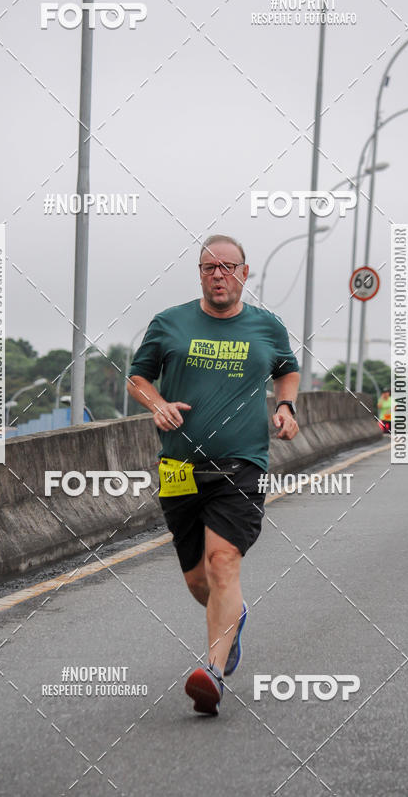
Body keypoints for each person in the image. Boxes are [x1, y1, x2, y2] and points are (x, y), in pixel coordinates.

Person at [126, 234, 300, 716]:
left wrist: (285, 406)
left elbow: (287, 370)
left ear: (246, 272)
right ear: (199, 274)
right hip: (180, 466)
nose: (218, 274)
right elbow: (137, 377)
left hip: (242, 464)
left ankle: (214, 674)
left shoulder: (268, 327)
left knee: (223, 563)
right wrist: (157, 404)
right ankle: (234, 618)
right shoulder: (170, 323)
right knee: (198, 581)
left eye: (228, 267)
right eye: (209, 268)